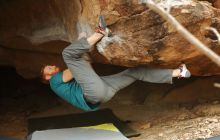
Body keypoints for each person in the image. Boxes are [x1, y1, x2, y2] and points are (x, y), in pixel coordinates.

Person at [41, 20, 191, 111]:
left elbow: (85, 67)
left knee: (135, 72)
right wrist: (79, 43)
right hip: (94, 92)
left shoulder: (69, 82)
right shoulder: (54, 82)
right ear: (47, 76)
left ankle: (178, 73)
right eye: (49, 68)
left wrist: (82, 44)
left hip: (103, 93)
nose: (53, 66)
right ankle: (101, 32)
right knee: (67, 54)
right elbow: (75, 69)